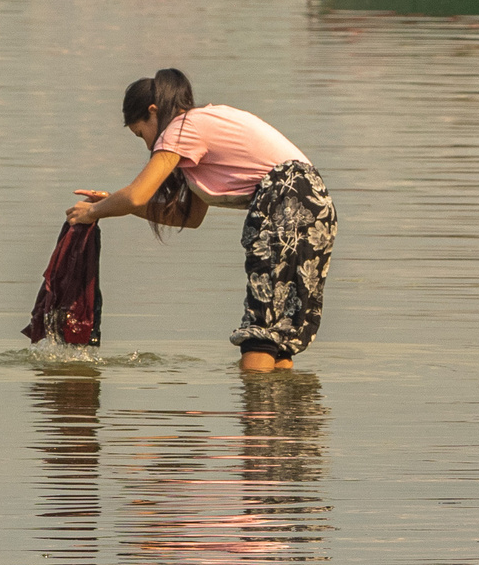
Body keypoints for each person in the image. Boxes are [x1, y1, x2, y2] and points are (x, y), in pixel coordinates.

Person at [65, 69, 335, 373]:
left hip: (285, 201)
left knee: (261, 329)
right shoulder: (200, 128)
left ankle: (256, 399)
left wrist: (92, 212)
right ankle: (277, 399)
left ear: (153, 111)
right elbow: (189, 217)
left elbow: (137, 195)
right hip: (315, 205)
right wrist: (111, 203)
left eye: (141, 134)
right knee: (279, 330)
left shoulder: (181, 128)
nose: (148, 146)